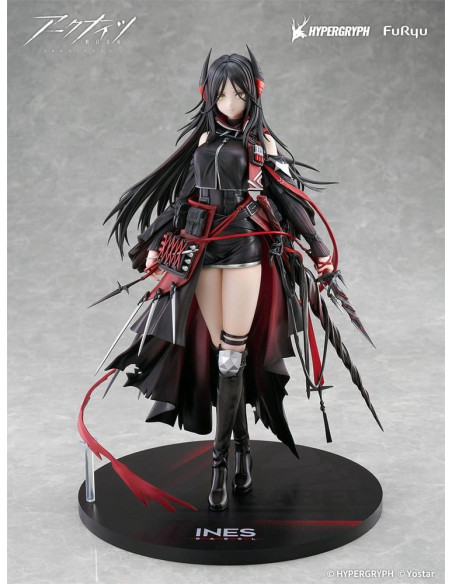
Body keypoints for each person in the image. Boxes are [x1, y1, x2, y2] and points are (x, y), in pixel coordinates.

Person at [80, 49, 381, 513]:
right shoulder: (203, 140)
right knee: (225, 361)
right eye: (221, 94)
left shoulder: (263, 146)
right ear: (209, 95)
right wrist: (152, 243)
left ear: (254, 94)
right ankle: (239, 453)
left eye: (238, 94)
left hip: (244, 253)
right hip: (202, 255)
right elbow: (184, 200)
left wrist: (319, 248)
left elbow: (289, 200)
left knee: (231, 360)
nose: (230, 103)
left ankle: (222, 464)